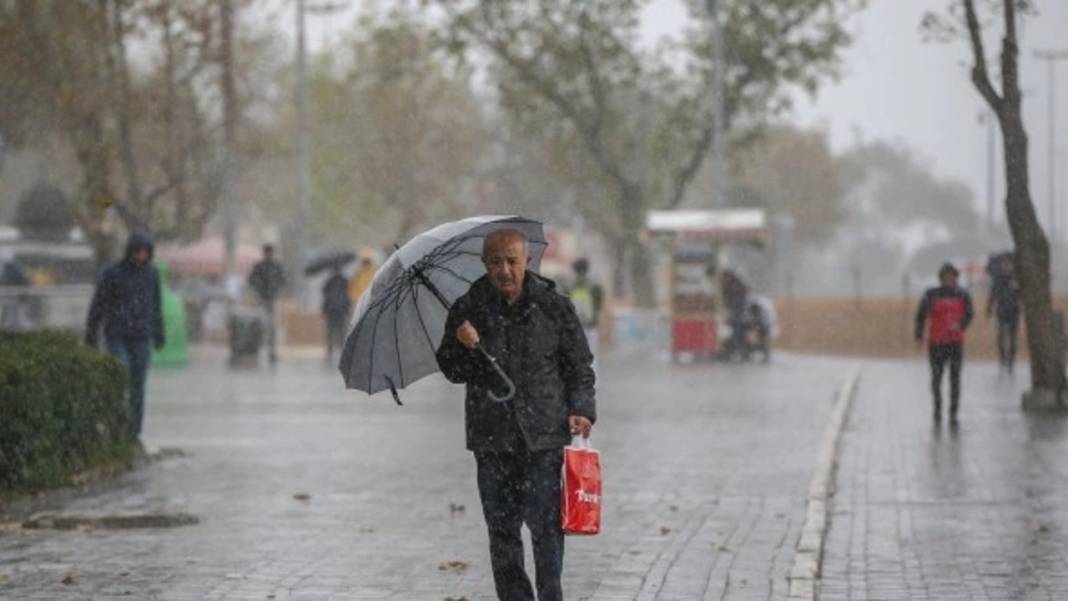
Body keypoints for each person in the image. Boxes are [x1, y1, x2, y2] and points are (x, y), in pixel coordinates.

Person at [436, 229, 596, 601]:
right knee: (502, 531)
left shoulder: (555, 307)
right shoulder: (468, 308)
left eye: (512, 261)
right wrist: (463, 347)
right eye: (495, 262)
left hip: (544, 437)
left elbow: (579, 366)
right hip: (492, 439)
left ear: (527, 262)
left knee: (545, 528)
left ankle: (550, 594)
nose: (504, 270)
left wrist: (582, 409)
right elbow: (451, 369)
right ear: (485, 264)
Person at [85, 232, 165, 438]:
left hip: (141, 336)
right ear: (130, 250)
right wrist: (92, 333)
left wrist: (158, 332)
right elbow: (98, 305)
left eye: (145, 251)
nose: (141, 255)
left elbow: (156, 305)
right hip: (117, 334)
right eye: (138, 250)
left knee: (138, 382)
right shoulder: (113, 273)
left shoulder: (152, 274)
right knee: (121, 374)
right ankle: (116, 424)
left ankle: (134, 430)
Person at [915, 262, 974, 423]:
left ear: (956, 278)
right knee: (936, 378)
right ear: (940, 279)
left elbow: (969, 315)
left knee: (955, 378)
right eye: (945, 278)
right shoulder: (931, 294)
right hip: (936, 343)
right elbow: (921, 316)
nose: (948, 281)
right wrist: (919, 336)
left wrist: (960, 325)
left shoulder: (963, 294)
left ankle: (953, 412)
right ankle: (937, 409)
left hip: (955, 343)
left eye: (951, 278)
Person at [248, 244, 287, 363]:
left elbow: (283, 281)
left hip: (272, 299)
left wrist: (275, 289)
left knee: (272, 327)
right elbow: (251, 281)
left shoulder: (275, 266)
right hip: (262, 299)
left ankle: (272, 351)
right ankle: (259, 349)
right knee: (261, 326)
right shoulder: (260, 267)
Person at [565, 257, 604, 362]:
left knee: (576, 358)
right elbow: (599, 303)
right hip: (591, 325)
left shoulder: (570, 286)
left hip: (574, 327)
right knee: (592, 356)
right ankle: (592, 377)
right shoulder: (594, 285)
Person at [987, 252, 1021, 373]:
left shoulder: (1017, 278)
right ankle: (1003, 360)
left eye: (1009, 263)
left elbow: (1022, 295)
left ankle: (1011, 361)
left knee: (1013, 338)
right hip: (1001, 311)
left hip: (1014, 311)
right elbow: (992, 294)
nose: (1007, 266)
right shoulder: (998, 279)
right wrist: (989, 308)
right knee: (1001, 336)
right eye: (1005, 263)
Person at [321, 265, 351, 365]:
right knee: (341, 332)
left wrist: (325, 309)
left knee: (331, 332)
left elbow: (324, 293)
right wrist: (347, 308)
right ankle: (342, 352)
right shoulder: (344, 281)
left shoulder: (329, 281)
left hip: (331, 310)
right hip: (341, 310)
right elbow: (347, 295)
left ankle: (330, 352)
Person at [0, 249, 30, 330]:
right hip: (13, 295)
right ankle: (11, 329)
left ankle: (19, 330)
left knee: (18, 315)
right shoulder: (12, 269)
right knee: (14, 315)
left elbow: (22, 282)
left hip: (16, 295)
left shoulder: (13, 269)